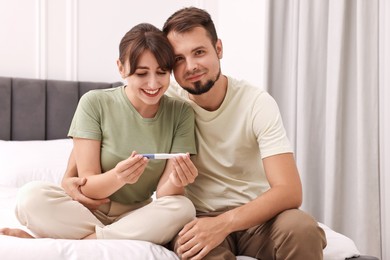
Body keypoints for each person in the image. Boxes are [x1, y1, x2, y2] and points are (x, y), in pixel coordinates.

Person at [66, 7, 327, 260]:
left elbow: (290, 191)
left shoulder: (256, 103)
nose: (190, 66)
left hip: (257, 219)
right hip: (195, 219)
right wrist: (68, 179)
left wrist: (224, 224)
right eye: (179, 59)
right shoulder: (163, 98)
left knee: (302, 229)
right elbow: (96, 135)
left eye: (199, 52)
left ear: (219, 49)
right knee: (194, 247)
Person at [0, 23, 198, 244]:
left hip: (137, 216)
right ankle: (111, 238)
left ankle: (84, 241)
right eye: (142, 73)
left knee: (183, 207)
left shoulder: (181, 113)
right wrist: (118, 177)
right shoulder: (95, 103)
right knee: (31, 197)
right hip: (86, 212)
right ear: (121, 68)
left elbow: (164, 195)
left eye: (162, 72)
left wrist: (177, 180)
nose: (153, 83)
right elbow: (88, 187)